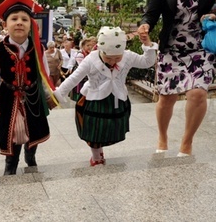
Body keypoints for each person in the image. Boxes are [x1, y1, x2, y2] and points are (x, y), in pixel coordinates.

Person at [138, 0, 216, 156]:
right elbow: (152, 12)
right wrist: (145, 25)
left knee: (197, 94)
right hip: (172, 48)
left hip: (202, 45)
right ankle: (163, 137)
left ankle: (186, 142)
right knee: (166, 98)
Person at [53, 26, 158, 166]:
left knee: (110, 130)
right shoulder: (91, 59)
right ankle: (96, 157)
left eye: (117, 58)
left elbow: (147, 62)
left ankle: (99, 152)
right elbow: (74, 78)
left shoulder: (128, 56)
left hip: (117, 99)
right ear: (101, 50)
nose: (113, 61)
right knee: (94, 131)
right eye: (109, 58)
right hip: (93, 101)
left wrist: (147, 44)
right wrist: (57, 95)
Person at [0, 0, 58, 175]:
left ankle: (30, 154)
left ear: (31, 25)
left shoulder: (38, 48)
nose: (19, 22)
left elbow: (44, 74)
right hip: (8, 97)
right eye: (14, 19)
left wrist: (49, 96)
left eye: (24, 19)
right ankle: (10, 164)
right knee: (11, 133)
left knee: (33, 129)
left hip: (33, 96)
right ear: (5, 24)